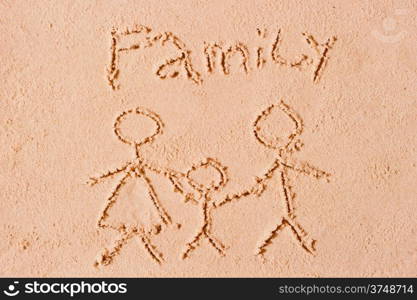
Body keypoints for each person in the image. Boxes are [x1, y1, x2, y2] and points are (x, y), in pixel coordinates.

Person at [215, 100, 330, 256]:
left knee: (286, 216)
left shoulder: (281, 158)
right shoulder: (281, 159)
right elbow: (286, 167)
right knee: (286, 217)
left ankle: (271, 242)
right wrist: (317, 174)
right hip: (277, 198)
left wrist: (316, 173)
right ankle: (286, 239)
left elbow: (287, 167)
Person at [88, 107, 183, 265]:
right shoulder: (134, 164)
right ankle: (143, 252)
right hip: (135, 190)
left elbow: (152, 169)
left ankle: (118, 250)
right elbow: (129, 169)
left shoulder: (137, 163)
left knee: (135, 223)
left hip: (137, 190)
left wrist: (98, 178)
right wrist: (98, 178)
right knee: (137, 221)